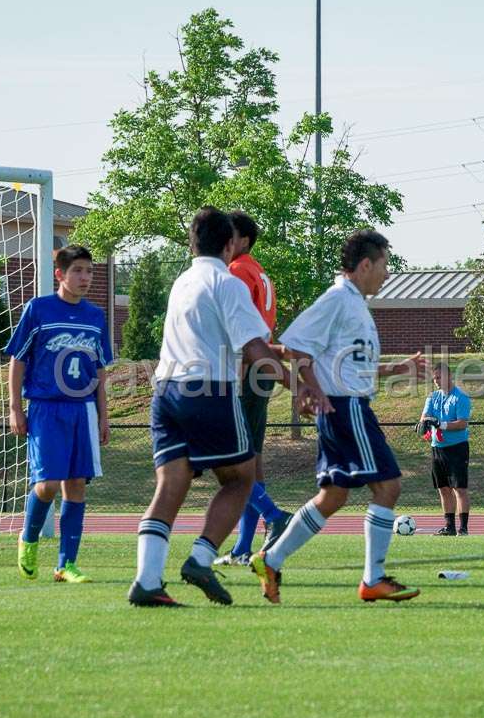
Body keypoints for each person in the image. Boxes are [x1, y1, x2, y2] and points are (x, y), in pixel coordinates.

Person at [128, 207, 318, 607]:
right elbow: (254, 350)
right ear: (230, 244)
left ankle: (146, 581)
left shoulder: (181, 281)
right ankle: (200, 558)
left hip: (164, 390)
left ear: (190, 242)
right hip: (208, 389)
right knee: (240, 479)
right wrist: (299, 386)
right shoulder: (227, 281)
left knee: (171, 486)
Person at [250, 229, 427, 604]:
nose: (386, 274)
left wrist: (398, 369)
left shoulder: (355, 305)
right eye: (384, 265)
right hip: (345, 408)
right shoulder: (338, 300)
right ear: (365, 265)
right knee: (388, 486)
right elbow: (297, 345)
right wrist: (309, 388)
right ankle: (373, 579)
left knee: (333, 497)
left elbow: (344, 363)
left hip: (345, 405)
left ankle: (271, 559)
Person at [7, 244, 112, 585]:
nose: (85, 278)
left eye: (89, 271)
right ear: (60, 275)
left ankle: (67, 564)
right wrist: (14, 407)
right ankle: (29, 538)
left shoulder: (95, 316)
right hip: (46, 409)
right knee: (48, 485)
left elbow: (100, 371)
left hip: (83, 411)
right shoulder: (38, 309)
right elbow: (18, 359)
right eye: (78, 271)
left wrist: (103, 416)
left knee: (76, 485)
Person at [212, 210, 294, 566]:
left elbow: (239, 326)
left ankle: (274, 517)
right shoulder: (258, 269)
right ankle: (244, 546)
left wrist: (239, 367)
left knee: (231, 458)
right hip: (258, 365)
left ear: (241, 240)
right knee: (251, 459)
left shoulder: (237, 272)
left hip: (245, 366)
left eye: (229, 236)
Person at [419, 361, 472, 535]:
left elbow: (462, 423)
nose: (436, 381)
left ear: (449, 376)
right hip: (437, 448)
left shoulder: (461, 397)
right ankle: (449, 527)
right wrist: (423, 424)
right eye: (434, 378)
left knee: (460, 488)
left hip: (457, 447)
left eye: (439, 377)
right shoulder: (433, 397)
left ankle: (463, 528)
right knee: (443, 488)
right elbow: (425, 416)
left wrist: (440, 424)